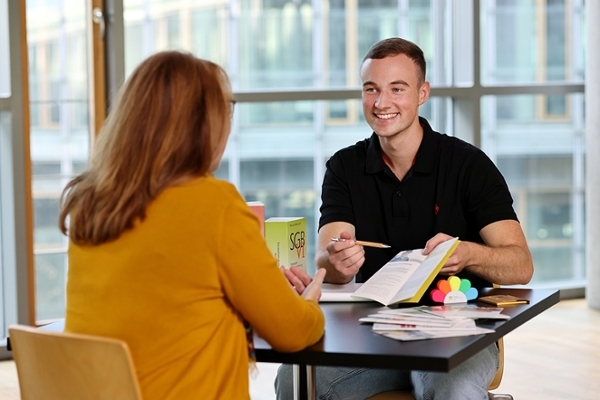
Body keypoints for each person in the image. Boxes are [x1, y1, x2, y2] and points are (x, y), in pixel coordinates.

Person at [276, 37, 534, 400]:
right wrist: (338, 263)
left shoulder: (469, 165)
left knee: (454, 388)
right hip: (371, 336)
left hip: (456, 334)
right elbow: (326, 258)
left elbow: (521, 265)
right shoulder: (344, 167)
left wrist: (467, 254)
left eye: (397, 89)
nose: (382, 103)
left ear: (422, 93)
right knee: (294, 379)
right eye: (371, 89)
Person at [59, 50, 326, 400]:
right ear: (204, 124)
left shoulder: (90, 204)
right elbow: (291, 332)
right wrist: (310, 304)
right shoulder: (214, 204)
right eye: (225, 112)